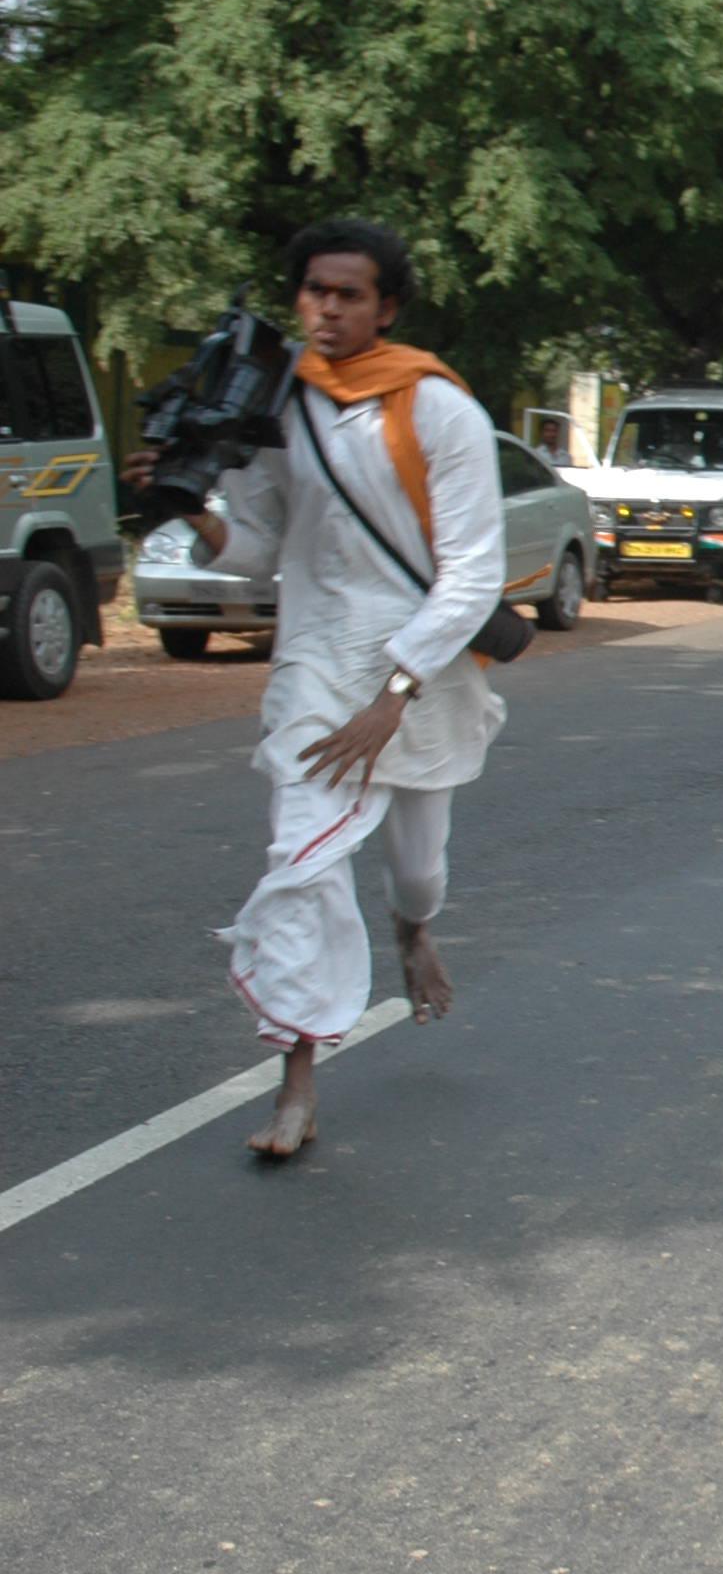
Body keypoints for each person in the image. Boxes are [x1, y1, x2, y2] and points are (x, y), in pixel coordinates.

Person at [125, 219, 504, 1159]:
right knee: (300, 864)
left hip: (419, 675)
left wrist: (394, 693)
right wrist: (189, 510)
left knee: (418, 870)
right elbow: (261, 548)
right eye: (314, 292)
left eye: (349, 295)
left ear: (387, 307)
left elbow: (473, 575)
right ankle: (297, 1083)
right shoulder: (274, 403)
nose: (327, 309)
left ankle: (412, 931)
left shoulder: (439, 408)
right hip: (314, 666)